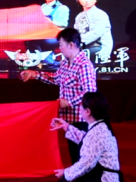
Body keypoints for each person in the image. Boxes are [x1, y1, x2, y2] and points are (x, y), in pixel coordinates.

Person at [20, 28, 97, 162]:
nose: (59, 48)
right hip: (68, 119)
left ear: (71, 45)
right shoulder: (65, 63)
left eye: (61, 45)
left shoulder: (84, 65)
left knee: (82, 157)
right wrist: (35, 74)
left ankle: (86, 177)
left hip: (81, 120)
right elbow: (56, 79)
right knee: (74, 155)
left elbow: (90, 91)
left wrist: (69, 102)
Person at [50, 92, 121, 182]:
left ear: (88, 111)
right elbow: (86, 141)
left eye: (81, 107)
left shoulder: (98, 131)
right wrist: (66, 126)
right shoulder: (99, 127)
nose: (80, 109)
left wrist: (65, 173)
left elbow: (86, 164)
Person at [73, 0, 113, 64]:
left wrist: (77, 42)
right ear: (78, 0)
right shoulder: (79, 16)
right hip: (83, 46)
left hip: (98, 47)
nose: (86, 0)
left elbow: (96, 33)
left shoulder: (100, 14)